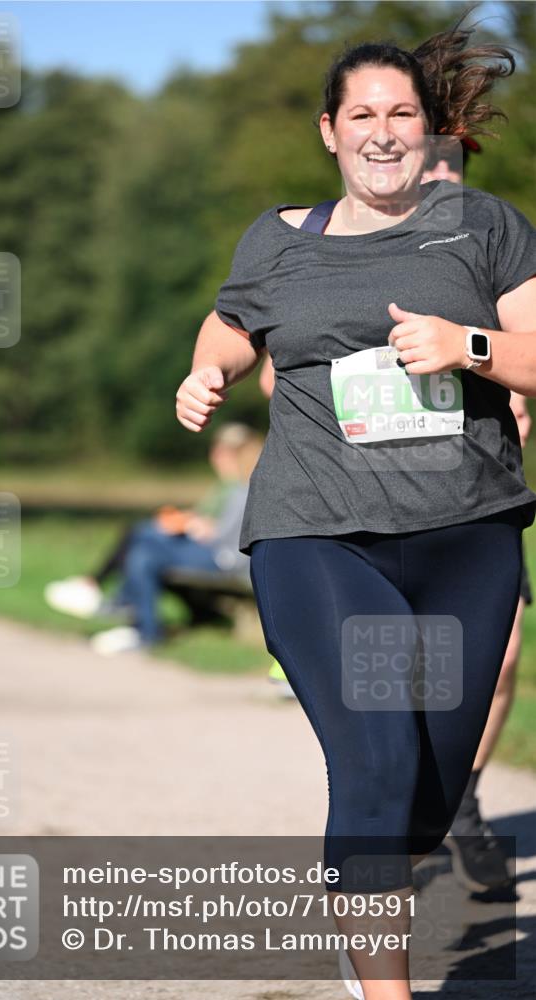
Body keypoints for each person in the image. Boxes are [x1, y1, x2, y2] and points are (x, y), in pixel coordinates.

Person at [176, 18, 536, 1000]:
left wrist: (463, 346)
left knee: (420, 798)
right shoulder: (279, 236)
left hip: (465, 539)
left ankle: (366, 887)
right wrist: (210, 369)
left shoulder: (486, 228)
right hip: (318, 532)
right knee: (375, 759)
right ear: (329, 130)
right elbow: (231, 322)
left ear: (430, 132)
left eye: (402, 113)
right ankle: (386, 986)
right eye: (362, 114)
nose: (382, 131)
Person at [260, 132, 534, 892]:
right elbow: (276, 362)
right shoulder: (324, 249)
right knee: (379, 727)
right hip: (347, 508)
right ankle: (381, 844)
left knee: (497, 657)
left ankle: (452, 800)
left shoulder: (481, 236)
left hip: (469, 505)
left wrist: (482, 360)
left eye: (445, 167)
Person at [46, 423, 262, 654]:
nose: (215, 457)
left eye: (221, 452)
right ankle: (138, 621)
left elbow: (228, 536)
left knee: (144, 541)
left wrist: (195, 526)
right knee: (144, 545)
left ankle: (123, 607)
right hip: (214, 551)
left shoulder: (244, 486)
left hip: (225, 558)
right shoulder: (230, 486)